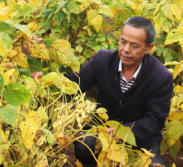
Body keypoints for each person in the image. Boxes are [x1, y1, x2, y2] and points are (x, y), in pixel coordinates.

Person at [32, 16, 173, 167]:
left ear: (148, 48)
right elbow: (74, 84)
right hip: (101, 128)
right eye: (123, 42)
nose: (126, 49)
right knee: (84, 144)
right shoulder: (103, 60)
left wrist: (123, 131)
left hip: (139, 139)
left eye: (134, 45)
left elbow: (154, 120)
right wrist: (47, 82)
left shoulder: (161, 77)